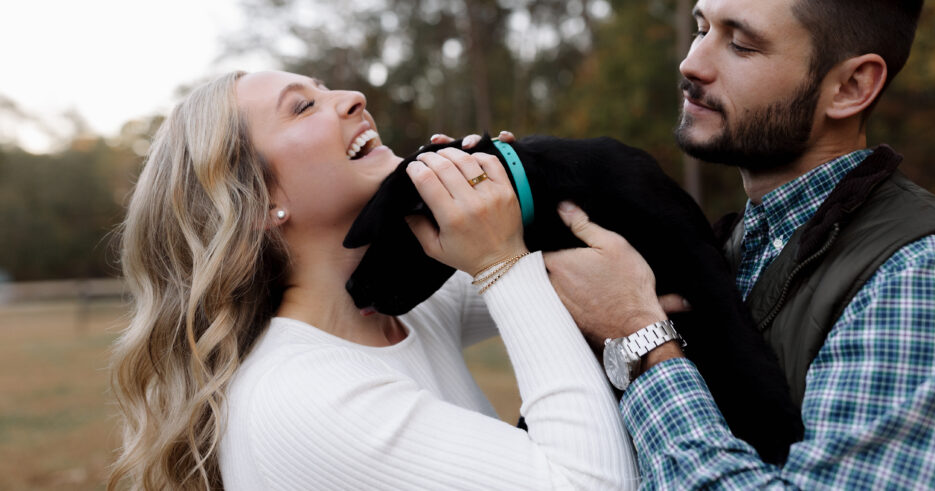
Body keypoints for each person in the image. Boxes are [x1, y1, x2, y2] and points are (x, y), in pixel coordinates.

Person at [544, 0, 935, 489]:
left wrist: (640, 338)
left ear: (850, 86)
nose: (691, 63)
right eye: (702, 29)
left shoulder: (931, 278)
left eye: (741, 45)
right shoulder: (730, 250)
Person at [108, 70, 638, 490]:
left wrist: (520, 184)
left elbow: (592, 265)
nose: (353, 97)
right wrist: (502, 261)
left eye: (323, 87)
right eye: (303, 106)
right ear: (259, 203)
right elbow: (591, 481)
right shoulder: (302, 398)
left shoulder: (400, 305)